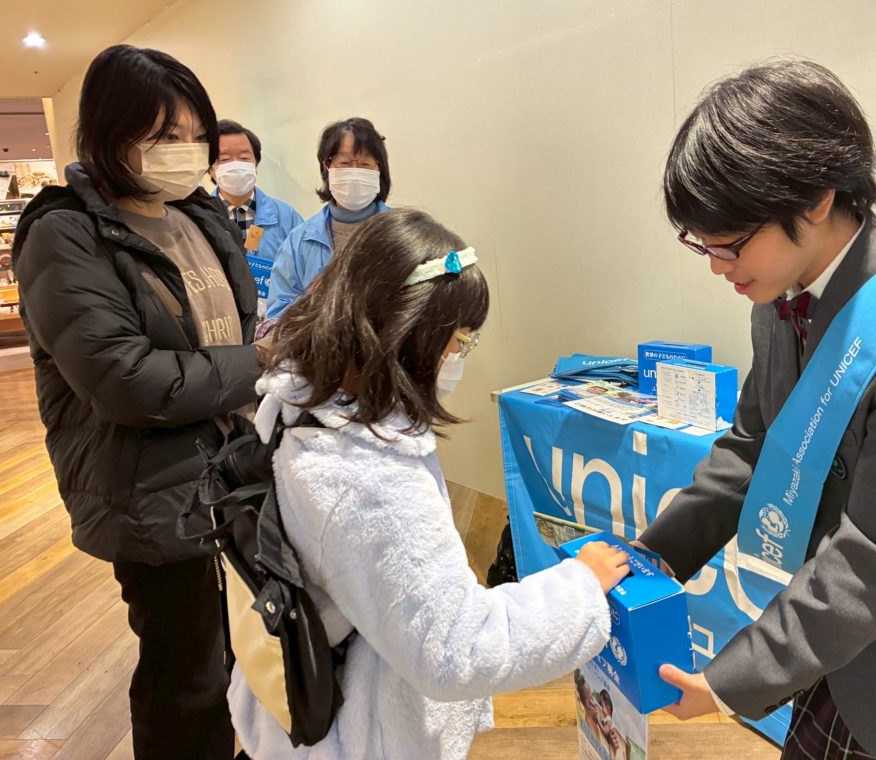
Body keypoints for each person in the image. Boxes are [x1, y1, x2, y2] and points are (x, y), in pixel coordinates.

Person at [638, 60, 876, 760]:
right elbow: (752, 449)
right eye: (701, 243)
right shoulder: (778, 298)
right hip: (836, 637)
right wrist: (648, 559)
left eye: (730, 241)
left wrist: (726, 682)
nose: (716, 265)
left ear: (815, 198)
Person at [229, 208, 629, 759]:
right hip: (361, 736)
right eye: (458, 340)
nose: (459, 357)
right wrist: (580, 587)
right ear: (408, 333)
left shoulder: (308, 407)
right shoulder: (368, 479)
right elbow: (457, 649)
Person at [13, 44, 266, 760]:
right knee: (185, 676)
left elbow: (228, 328)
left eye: (195, 136)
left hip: (230, 470)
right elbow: (128, 381)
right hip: (150, 490)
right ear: (109, 132)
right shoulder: (65, 234)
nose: (185, 151)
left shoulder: (197, 214)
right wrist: (262, 363)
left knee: (244, 653)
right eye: (163, 135)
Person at [262, 117, 391, 325]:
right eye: (344, 163)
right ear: (327, 168)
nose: (354, 173)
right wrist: (313, 301)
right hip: (318, 345)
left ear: (380, 170)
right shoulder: (300, 241)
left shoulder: (404, 233)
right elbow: (276, 317)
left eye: (365, 164)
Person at [210, 118, 303, 259]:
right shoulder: (198, 218)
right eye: (224, 159)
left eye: (244, 158)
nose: (236, 165)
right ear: (210, 169)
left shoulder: (288, 218)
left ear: (255, 163)